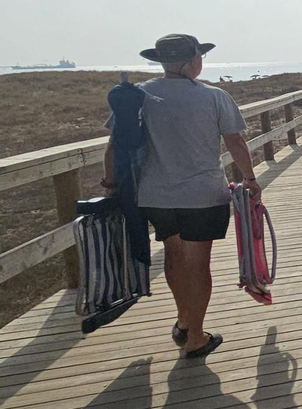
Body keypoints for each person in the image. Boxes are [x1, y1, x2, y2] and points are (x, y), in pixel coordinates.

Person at [103, 33, 260, 359]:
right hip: (202, 195)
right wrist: (249, 179)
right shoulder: (214, 96)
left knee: (174, 255)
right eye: (200, 57)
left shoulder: (137, 95)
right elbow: (235, 143)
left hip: (155, 196)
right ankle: (195, 338)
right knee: (198, 264)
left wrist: (111, 183)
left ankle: (185, 319)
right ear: (192, 61)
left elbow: (114, 143)